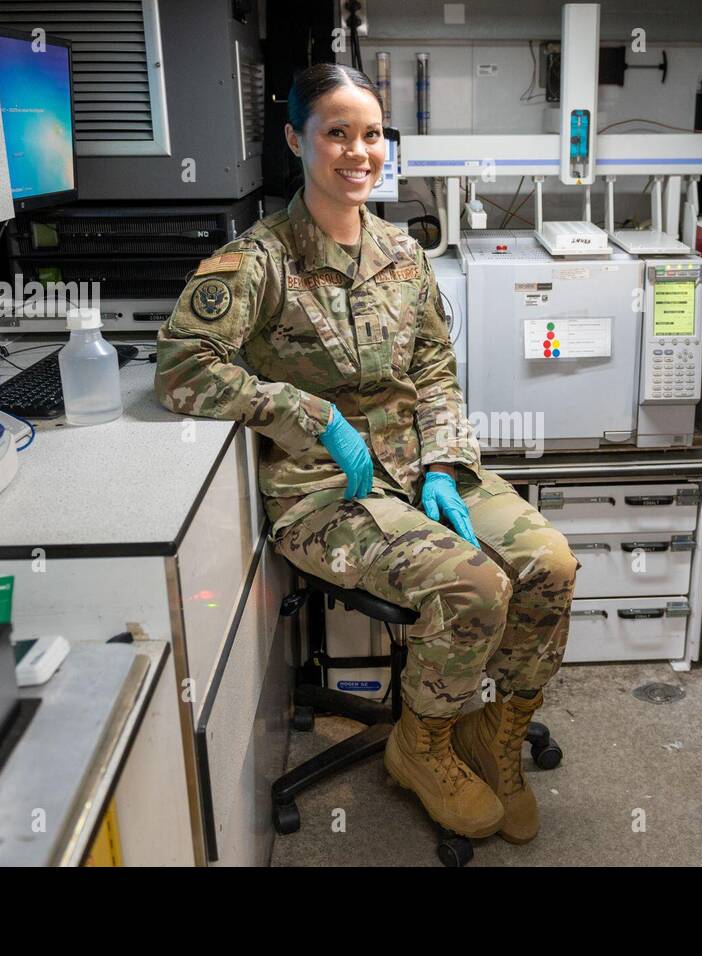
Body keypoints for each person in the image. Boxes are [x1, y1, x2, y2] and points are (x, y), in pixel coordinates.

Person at [154, 63, 579, 844]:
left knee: (551, 564)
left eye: (373, 134)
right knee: (476, 584)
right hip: (327, 493)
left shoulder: (403, 256)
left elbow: (433, 369)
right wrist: (310, 414)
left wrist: (446, 464)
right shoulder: (259, 261)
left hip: (425, 467)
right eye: (337, 133)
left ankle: (497, 731)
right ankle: (422, 749)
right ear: (296, 140)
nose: (359, 151)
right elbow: (181, 370)